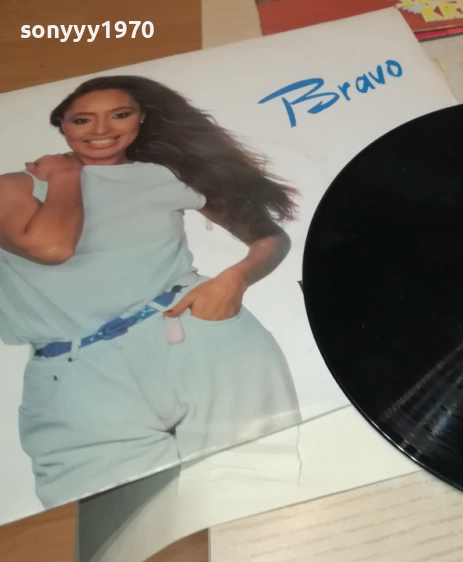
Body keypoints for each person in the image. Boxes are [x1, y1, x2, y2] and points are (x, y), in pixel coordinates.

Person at [0, 75, 301, 509]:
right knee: (119, 529)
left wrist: (235, 279)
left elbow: (270, 238)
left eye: (119, 115)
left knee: (257, 500)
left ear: (141, 119)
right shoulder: (14, 187)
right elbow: (51, 246)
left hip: (198, 339)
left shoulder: (165, 177)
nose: (101, 130)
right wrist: (65, 175)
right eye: (82, 120)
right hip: (77, 380)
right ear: (61, 124)